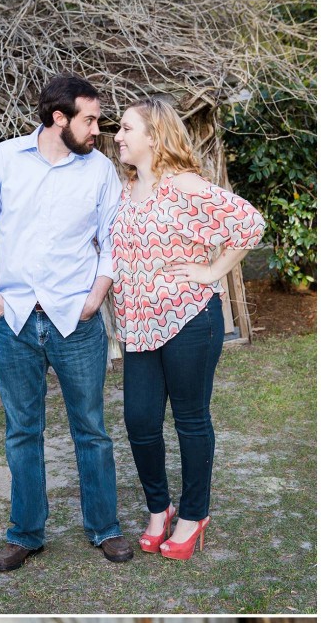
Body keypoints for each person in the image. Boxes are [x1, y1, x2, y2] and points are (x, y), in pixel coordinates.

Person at [0, 73, 133, 572]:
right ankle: (26, 533)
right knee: (22, 431)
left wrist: (93, 299)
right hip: (14, 318)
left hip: (76, 320)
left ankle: (105, 528)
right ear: (58, 118)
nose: (97, 128)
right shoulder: (4, 160)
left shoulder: (99, 171)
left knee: (92, 430)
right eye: (89, 119)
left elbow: (112, 241)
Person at [111, 98, 265, 560]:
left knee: (190, 418)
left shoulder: (186, 187)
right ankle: (160, 509)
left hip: (189, 319)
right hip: (138, 328)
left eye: (125, 128)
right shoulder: (126, 190)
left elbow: (249, 224)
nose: (116, 136)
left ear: (154, 136)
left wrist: (210, 271)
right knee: (139, 420)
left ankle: (194, 514)